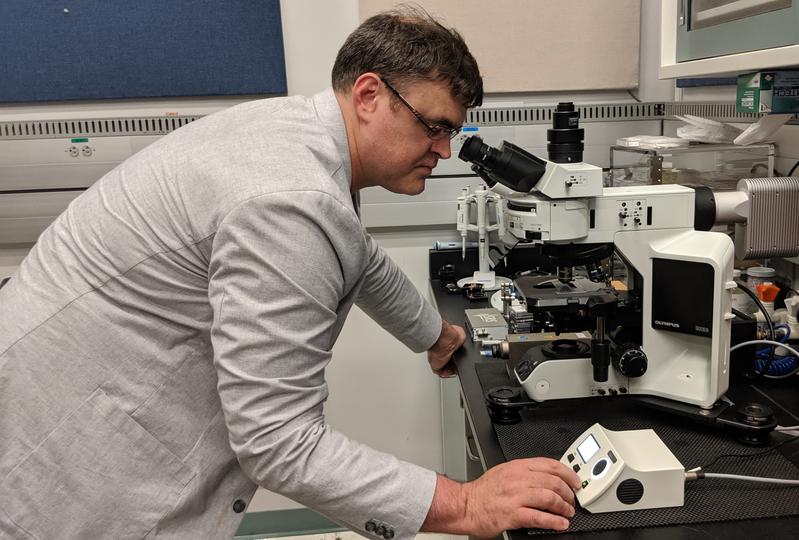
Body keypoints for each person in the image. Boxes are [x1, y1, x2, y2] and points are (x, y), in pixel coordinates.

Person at [0, 6, 580, 540]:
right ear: (370, 94)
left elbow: (358, 254)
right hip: (63, 463)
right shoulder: (289, 198)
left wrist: (436, 333)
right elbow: (278, 444)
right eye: (435, 126)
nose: (445, 150)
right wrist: (466, 505)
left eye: (451, 131)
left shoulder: (301, 136)